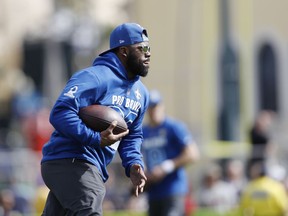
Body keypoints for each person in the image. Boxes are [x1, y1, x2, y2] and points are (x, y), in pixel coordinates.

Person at [40, 22, 151, 215]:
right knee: (91, 205)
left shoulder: (142, 93)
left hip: (89, 166)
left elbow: (131, 135)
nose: (148, 53)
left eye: (149, 48)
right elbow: (60, 112)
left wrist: (133, 163)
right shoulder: (95, 77)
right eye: (142, 48)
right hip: (69, 160)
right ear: (124, 51)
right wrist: (95, 138)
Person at [141, 90, 200, 216]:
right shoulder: (143, 132)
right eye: (150, 107)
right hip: (153, 192)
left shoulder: (173, 127)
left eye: (155, 106)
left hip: (173, 189)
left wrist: (168, 166)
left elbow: (193, 154)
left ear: (162, 106)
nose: (153, 111)